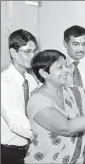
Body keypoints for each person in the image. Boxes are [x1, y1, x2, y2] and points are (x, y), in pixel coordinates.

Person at [1, 29, 39, 164]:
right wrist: (40, 135)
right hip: (9, 153)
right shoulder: (3, 82)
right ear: (13, 53)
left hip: (32, 149)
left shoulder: (32, 80)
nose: (33, 56)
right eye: (27, 51)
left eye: (34, 51)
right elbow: (15, 121)